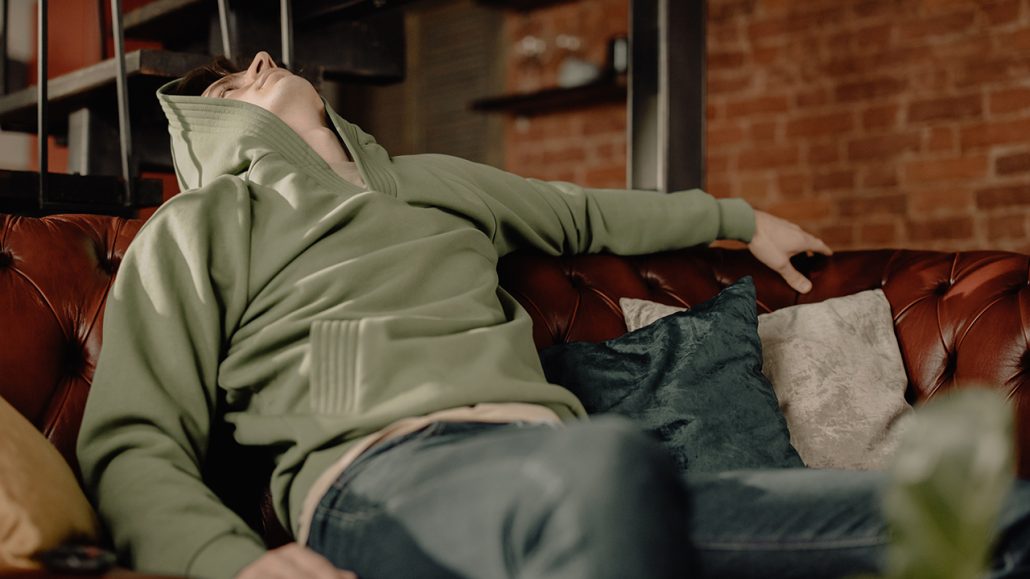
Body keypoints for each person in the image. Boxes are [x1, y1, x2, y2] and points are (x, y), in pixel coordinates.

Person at [76, 51, 1030, 579]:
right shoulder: (204, 223)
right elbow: (131, 441)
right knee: (607, 464)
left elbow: (584, 210)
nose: (258, 60)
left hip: (576, 476)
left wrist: (741, 219)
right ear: (214, 131)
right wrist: (230, 565)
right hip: (378, 482)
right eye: (233, 84)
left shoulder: (436, 185)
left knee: (1002, 514)